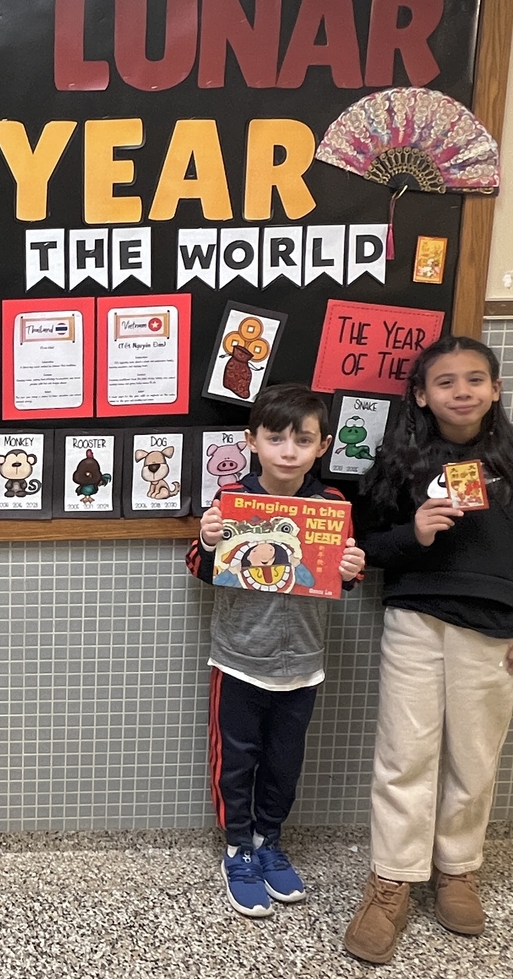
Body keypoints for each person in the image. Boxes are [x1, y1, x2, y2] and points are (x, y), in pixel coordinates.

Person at [343, 336, 513, 965]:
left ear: (496, 389)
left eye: (475, 380)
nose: (462, 391)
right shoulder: (398, 463)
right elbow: (360, 545)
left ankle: (457, 869)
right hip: (414, 620)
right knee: (403, 758)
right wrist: (415, 531)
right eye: (446, 382)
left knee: (474, 758)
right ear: (421, 395)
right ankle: (392, 881)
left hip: (494, 629)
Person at [186, 383, 366, 918]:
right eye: (275, 437)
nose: (288, 450)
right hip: (240, 659)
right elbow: (200, 569)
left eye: (302, 440)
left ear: (323, 445)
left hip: (303, 663)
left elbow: (339, 578)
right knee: (235, 760)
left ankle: (269, 839)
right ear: (251, 440)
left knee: (285, 762)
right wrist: (210, 540)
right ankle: (238, 848)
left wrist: (351, 569)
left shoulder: (331, 506)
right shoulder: (230, 501)